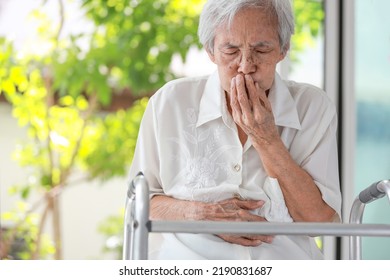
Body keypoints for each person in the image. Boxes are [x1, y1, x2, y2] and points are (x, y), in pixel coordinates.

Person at [128, 0, 342, 259]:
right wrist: (201, 214)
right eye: (230, 50)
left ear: (283, 49)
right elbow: (138, 204)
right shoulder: (170, 102)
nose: (245, 65)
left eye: (261, 49)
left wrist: (266, 139)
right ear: (211, 51)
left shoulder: (312, 106)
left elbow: (320, 222)